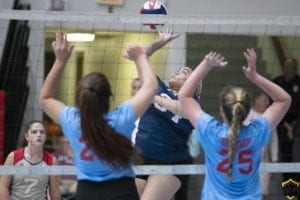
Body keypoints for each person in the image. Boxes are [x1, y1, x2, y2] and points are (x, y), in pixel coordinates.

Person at [38, 31, 158, 200]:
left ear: (80, 97)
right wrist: (140, 56)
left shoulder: (72, 121)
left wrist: (60, 61)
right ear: (110, 97)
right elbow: (151, 86)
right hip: (122, 191)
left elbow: (44, 99)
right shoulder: (122, 118)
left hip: (87, 192)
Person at [178, 49, 291, 199]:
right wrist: (254, 76)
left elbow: (184, 96)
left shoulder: (210, 130)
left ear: (221, 111)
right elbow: (284, 100)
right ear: (247, 110)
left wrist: (206, 64)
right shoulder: (257, 132)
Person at [135, 28, 201, 200]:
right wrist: (160, 43)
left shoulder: (193, 103)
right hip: (142, 158)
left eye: (183, 73)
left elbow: (183, 110)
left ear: (193, 84)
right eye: (177, 71)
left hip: (170, 164)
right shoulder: (157, 85)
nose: (176, 73)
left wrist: (154, 97)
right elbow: (142, 56)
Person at [0, 120, 61, 200]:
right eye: (34, 132)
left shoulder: (52, 161)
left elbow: (55, 191)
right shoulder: (13, 157)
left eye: (42, 132)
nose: (39, 135)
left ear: (45, 137)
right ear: (27, 136)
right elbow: (2, 187)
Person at [243, 92, 279, 199]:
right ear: (256, 101)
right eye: (265, 100)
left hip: (264, 159)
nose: (268, 103)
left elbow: (274, 139)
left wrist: (275, 158)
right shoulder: (246, 116)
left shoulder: (270, 117)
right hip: (247, 160)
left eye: (268, 101)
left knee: (263, 191)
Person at [272, 57, 300, 182]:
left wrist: (294, 124)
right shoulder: (276, 82)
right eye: (287, 66)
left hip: (297, 124)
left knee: (297, 157)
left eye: (293, 67)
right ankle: (289, 191)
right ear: (284, 68)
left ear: (296, 68)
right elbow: (271, 105)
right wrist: (285, 124)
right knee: (286, 156)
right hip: (281, 124)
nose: (290, 69)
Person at [130, 78, 142, 144]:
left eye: (139, 88)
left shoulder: (151, 111)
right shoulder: (123, 110)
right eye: (134, 88)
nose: (136, 91)